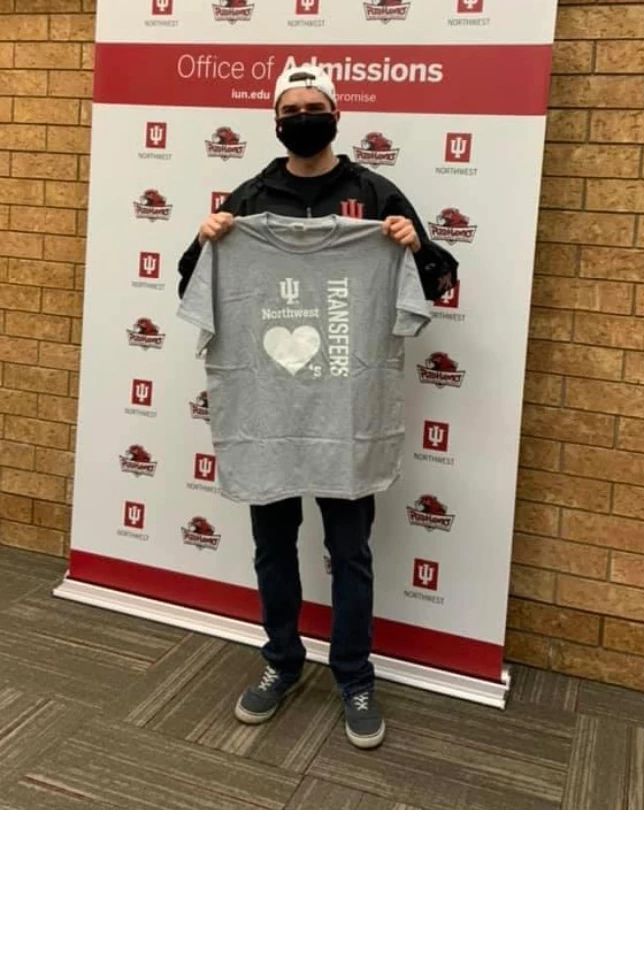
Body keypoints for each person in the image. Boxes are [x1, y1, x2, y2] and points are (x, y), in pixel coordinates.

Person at [177, 63, 458, 749]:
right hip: (266, 415)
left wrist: (415, 247)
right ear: (276, 120)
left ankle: (354, 676)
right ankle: (280, 660)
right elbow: (191, 284)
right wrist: (208, 240)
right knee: (271, 548)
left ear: (336, 113)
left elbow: (439, 281)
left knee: (349, 550)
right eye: (291, 107)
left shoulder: (375, 193)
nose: (303, 115)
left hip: (345, 416)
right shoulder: (247, 198)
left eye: (314, 105)